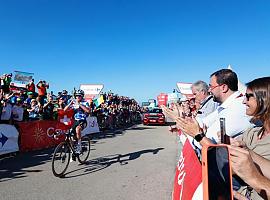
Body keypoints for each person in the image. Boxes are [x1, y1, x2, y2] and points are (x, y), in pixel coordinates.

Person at [173, 69, 252, 147]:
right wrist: (186, 126)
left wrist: (192, 131)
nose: (209, 90)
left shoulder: (238, 108)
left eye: (211, 87)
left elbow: (208, 141)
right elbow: (203, 122)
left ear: (224, 87)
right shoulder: (226, 105)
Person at [64, 89, 90, 154]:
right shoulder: (73, 103)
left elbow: (88, 111)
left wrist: (79, 104)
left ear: (82, 96)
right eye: (76, 96)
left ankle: (79, 146)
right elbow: (64, 110)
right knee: (70, 135)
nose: (77, 97)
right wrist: (70, 103)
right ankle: (72, 150)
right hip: (75, 121)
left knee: (78, 129)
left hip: (82, 121)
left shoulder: (85, 102)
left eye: (79, 96)